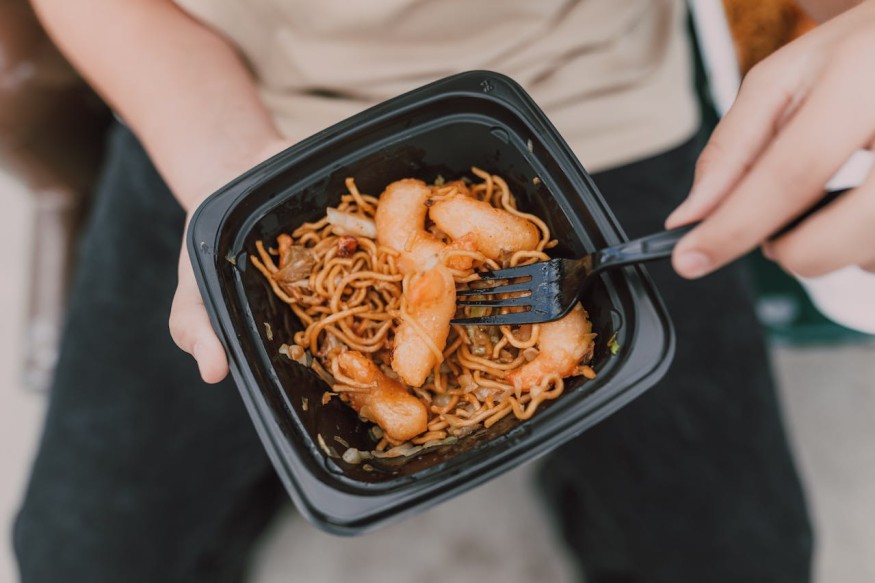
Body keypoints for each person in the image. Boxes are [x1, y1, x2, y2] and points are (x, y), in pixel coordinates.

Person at [19, 0, 871, 581]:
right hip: (222, 109)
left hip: (599, 103)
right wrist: (229, 184)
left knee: (745, 559)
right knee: (78, 555)